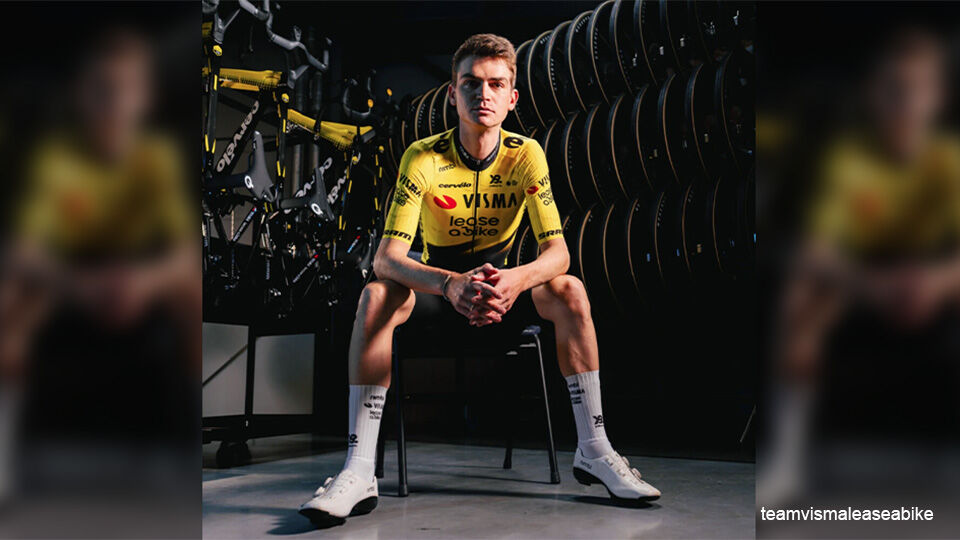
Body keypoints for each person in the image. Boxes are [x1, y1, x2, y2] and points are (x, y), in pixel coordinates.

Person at [298, 33, 660, 522]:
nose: (482, 94)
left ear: (512, 98)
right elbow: (387, 259)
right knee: (376, 295)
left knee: (569, 290)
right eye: (470, 83)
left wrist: (514, 281)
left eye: (496, 84)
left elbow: (558, 253)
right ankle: (358, 470)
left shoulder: (526, 155)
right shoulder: (422, 156)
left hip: (501, 297)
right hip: (438, 298)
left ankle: (594, 449)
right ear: (453, 93)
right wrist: (451, 284)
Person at [760, 27, 960, 505]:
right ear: (874, 93)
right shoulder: (849, 159)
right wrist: (875, 287)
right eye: (894, 87)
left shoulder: (950, 161)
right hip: (868, 282)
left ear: (938, 96)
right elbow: (817, 250)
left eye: (917, 88)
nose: (905, 101)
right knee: (802, 294)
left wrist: (933, 285)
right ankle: (788, 459)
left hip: (935, 282)